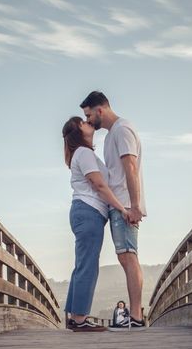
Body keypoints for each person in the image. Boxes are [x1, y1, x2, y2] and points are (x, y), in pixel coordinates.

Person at [80, 91, 146, 329]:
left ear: (100, 110)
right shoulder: (110, 137)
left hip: (126, 204)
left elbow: (130, 165)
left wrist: (135, 205)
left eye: (88, 116)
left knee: (129, 256)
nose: (87, 121)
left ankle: (137, 317)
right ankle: (135, 316)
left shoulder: (122, 129)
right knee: (124, 256)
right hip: (119, 204)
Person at [62, 116, 131, 332]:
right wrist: (122, 208)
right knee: (88, 266)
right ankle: (80, 319)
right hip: (89, 212)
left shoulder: (81, 154)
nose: (87, 122)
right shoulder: (84, 153)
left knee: (83, 264)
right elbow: (100, 185)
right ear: (77, 131)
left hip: (85, 213)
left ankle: (75, 317)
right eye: (82, 122)